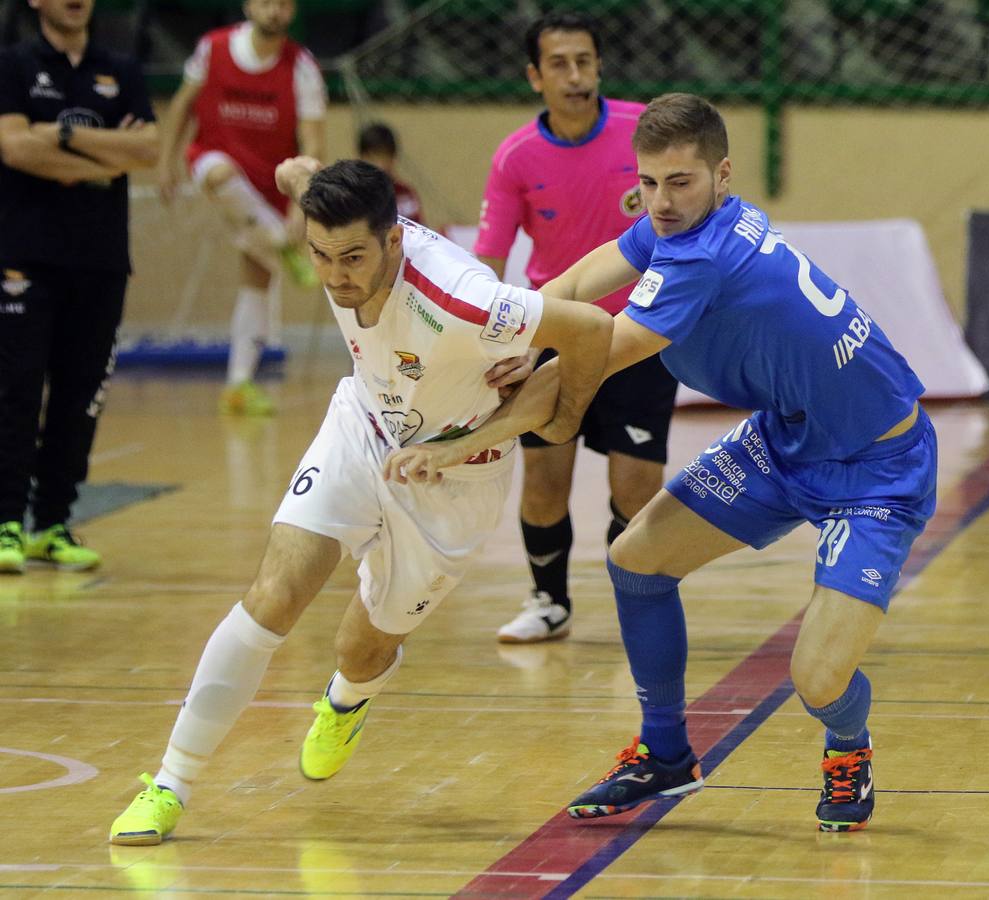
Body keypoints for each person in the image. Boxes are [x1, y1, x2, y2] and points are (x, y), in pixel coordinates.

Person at [443, 93, 938, 832]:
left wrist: (466, 429)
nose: (661, 201)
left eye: (680, 182)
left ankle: (848, 743)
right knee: (637, 559)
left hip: (878, 466)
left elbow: (595, 355)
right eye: (648, 183)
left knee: (817, 678)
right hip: (787, 440)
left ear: (723, 175)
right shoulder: (672, 229)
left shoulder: (702, 256)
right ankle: (667, 755)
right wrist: (507, 342)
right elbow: (573, 287)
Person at [107, 158, 613, 845]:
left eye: (352, 257)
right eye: (320, 256)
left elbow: (589, 327)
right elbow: (303, 179)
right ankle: (170, 783)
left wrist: (562, 416)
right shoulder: (331, 230)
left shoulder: (463, 300)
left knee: (361, 646)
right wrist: (293, 173)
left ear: (395, 241)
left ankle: (347, 699)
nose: (336, 274)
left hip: (454, 477)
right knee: (274, 596)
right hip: (364, 425)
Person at [475, 12, 679, 644]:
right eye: (559, 64)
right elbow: (486, 263)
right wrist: (486, 342)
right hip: (554, 336)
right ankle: (548, 600)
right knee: (543, 480)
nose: (575, 76)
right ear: (535, 76)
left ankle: (634, 599)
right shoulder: (515, 157)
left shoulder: (640, 130)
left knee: (637, 486)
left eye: (585, 61)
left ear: (599, 66)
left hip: (639, 335)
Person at [0, 0, 157, 573]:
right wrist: (103, 155)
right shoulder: (13, 65)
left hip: (101, 262)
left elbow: (147, 150)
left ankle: (53, 524)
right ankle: (6, 522)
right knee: (16, 393)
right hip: (25, 260)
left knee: (79, 397)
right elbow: (13, 147)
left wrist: (56, 139)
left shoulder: (123, 69)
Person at [156, 0, 327, 417]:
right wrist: (166, 160)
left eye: (285, 4)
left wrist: (299, 205)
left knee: (256, 280)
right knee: (219, 175)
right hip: (213, 160)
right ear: (249, 5)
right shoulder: (212, 48)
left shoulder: (302, 67)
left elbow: (314, 144)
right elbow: (181, 105)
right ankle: (279, 244)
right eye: (268, 2)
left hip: (270, 187)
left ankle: (239, 385)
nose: (276, 11)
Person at [356, 121, 424, 225]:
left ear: (393, 158)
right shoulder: (353, 193)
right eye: (371, 157)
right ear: (361, 157)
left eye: (383, 156)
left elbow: (418, 230)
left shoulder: (404, 194)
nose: (378, 165)